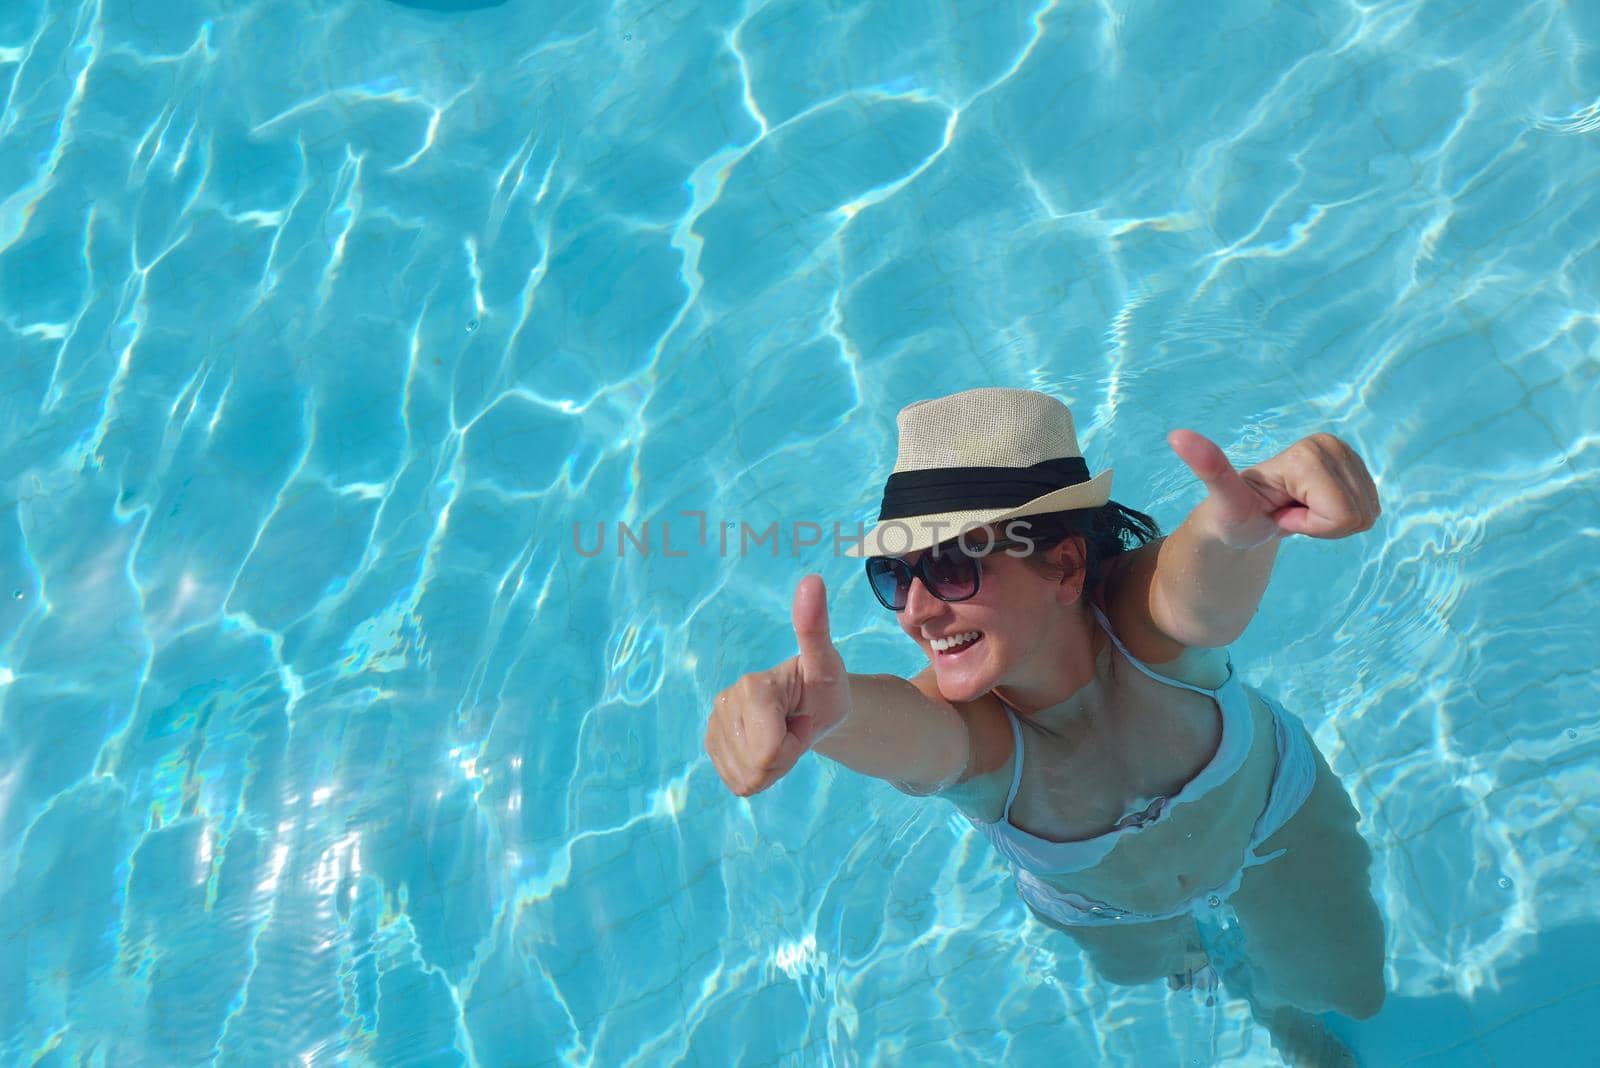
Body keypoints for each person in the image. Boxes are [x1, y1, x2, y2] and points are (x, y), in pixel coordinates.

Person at [704, 388, 1386, 1058]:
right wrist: (829, 715)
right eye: (894, 576)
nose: (915, 610)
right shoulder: (979, 735)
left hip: (1274, 821)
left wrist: (1245, 527)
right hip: (1110, 910)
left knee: (1351, 993)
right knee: (1172, 973)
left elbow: (1197, 581)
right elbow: (909, 730)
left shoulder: (1145, 628)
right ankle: (1269, 1014)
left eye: (950, 565)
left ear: (1064, 565)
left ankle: (1282, 1007)